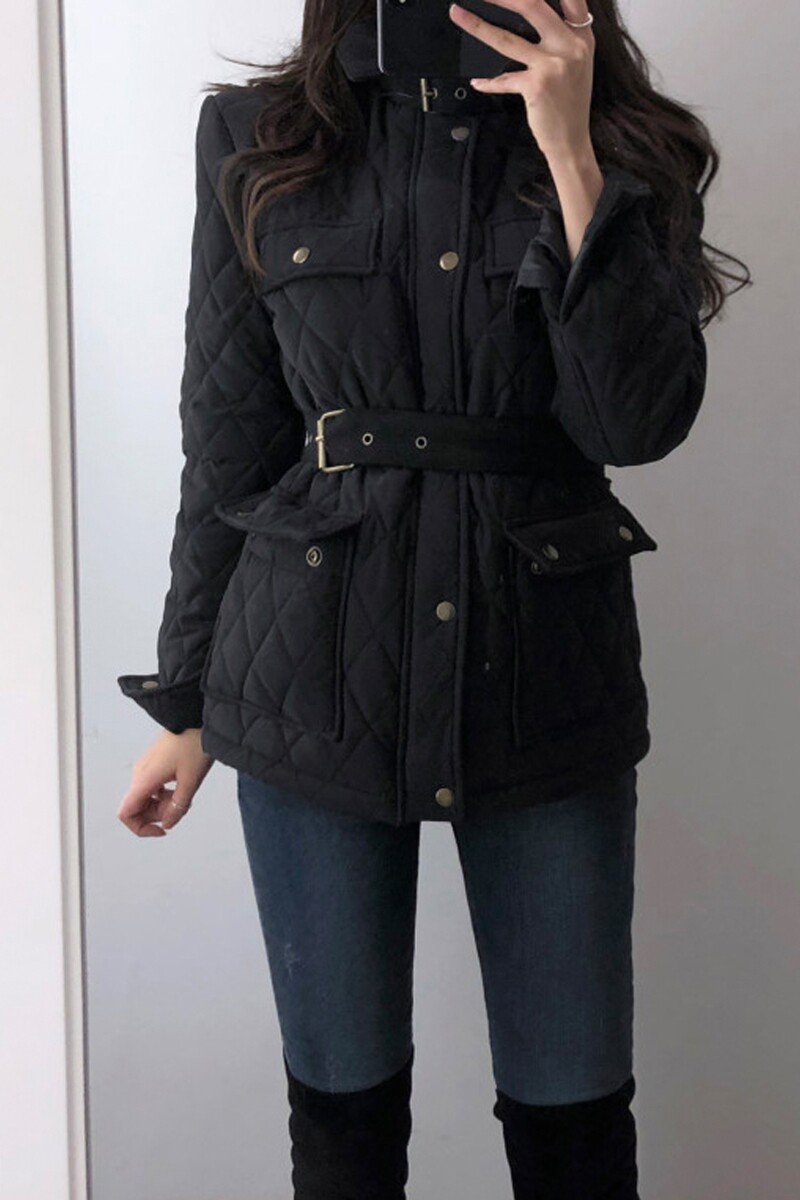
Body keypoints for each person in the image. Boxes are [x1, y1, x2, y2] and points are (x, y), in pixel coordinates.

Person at [116, 2, 748, 1196]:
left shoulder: (629, 139)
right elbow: (231, 440)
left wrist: (570, 150)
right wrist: (187, 700)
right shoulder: (258, 135)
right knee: (342, 1132)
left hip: (545, 684)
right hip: (305, 682)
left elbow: (633, 423)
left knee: (575, 1133)